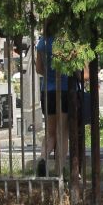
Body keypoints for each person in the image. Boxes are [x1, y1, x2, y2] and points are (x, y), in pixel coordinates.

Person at [34, 26, 71, 177]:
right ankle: (59, 169)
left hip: (47, 90)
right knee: (62, 132)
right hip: (64, 89)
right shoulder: (66, 43)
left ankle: (43, 157)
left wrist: (49, 75)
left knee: (50, 133)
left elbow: (38, 69)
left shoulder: (42, 43)